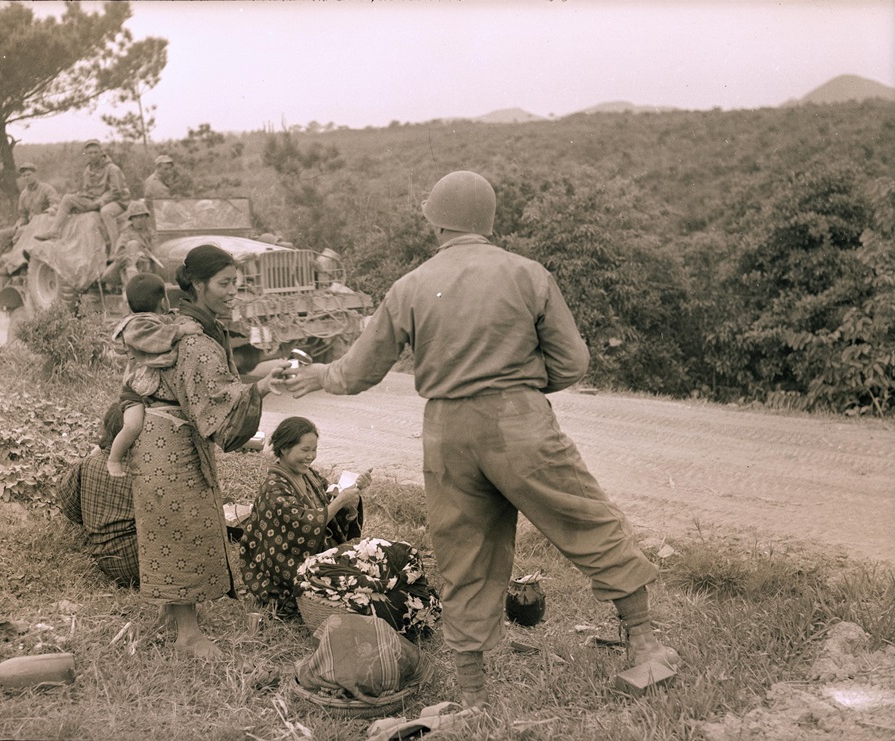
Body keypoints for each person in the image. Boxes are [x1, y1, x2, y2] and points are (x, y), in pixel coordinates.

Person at [284, 170, 679, 706]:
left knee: (463, 553)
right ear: (488, 220)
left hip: (446, 432)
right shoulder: (527, 273)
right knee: (588, 523)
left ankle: (472, 693)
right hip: (519, 422)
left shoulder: (411, 285)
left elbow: (356, 373)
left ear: (436, 219)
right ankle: (645, 645)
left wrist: (317, 376)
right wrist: (522, 387)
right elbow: (574, 362)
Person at [130, 243, 287, 659]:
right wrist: (264, 388)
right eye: (225, 283)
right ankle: (188, 634)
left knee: (173, 529)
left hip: (162, 441)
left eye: (237, 282)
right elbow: (216, 403)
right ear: (197, 285)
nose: (234, 290)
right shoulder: (196, 340)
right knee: (182, 531)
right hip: (169, 446)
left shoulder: (187, 325)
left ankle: (172, 616)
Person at [238, 416, 368, 614]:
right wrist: (340, 500)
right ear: (284, 448)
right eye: (305, 450)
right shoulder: (274, 487)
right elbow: (304, 524)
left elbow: (331, 514)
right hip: (283, 572)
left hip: (319, 557)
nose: (311, 456)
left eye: (314, 449)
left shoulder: (310, 475)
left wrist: (351, 502)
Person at [108, 273, 202, 478]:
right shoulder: (136, 325)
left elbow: (172, 321)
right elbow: (155, 336)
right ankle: (114, 460)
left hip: (153, 388)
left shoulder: (163, 319)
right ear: (163, 301)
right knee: (133, 426)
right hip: (134, 392)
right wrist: (180, 331)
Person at [56, 403, 139, 588]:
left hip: (104, 560)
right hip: (141, 564)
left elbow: (69, 507)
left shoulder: (87, 464)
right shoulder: (141, 473)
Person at [36, 139, 130, 249]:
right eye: (90, 153)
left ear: (101, 152)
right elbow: (88, 190)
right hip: (95, 199)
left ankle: (116, 247)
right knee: (67, 198)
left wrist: (99, 202)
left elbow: (116, 191)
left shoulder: (111, 169)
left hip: (116, 201)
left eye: (95, 152)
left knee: (106, 212)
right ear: (86, 154)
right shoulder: (88, 170)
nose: (93, 155)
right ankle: (54, 230)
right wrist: (81, 196)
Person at [0, 163, 60, 277]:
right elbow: (23, 215)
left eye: (29, 174)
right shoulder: (24, 194)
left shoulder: (46, 189)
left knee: (20, 234)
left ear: (35, 174)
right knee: (2, 234)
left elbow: (56, 205)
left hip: (43, 225)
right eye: (24, 176)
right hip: (29, 225)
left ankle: (12, 266)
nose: (26, 177)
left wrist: (48, 211)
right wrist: (18, 223)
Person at [101, 200, 156, 287]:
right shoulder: (126, 235)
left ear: (146, 217)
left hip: (151, 272)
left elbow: (157, 250)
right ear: (131, 219)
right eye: (136, 217)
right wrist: (135, 257)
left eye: (142, 216)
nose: (139, 220)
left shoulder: (151, 233)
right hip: (133, 274)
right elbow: (119, 256)